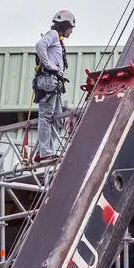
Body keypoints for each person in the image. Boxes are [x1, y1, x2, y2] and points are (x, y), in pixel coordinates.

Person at [33, 10, 75, 163]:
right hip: (48, 80)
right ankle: (45, 152)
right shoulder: (53, 34)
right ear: (64, 26)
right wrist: (49, 64)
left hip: (53, 82)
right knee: (46, 117)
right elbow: (39, 45)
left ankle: (46, 150)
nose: (72, 31)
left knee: (56, 117)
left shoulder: (57, 39)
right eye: (71, 27)